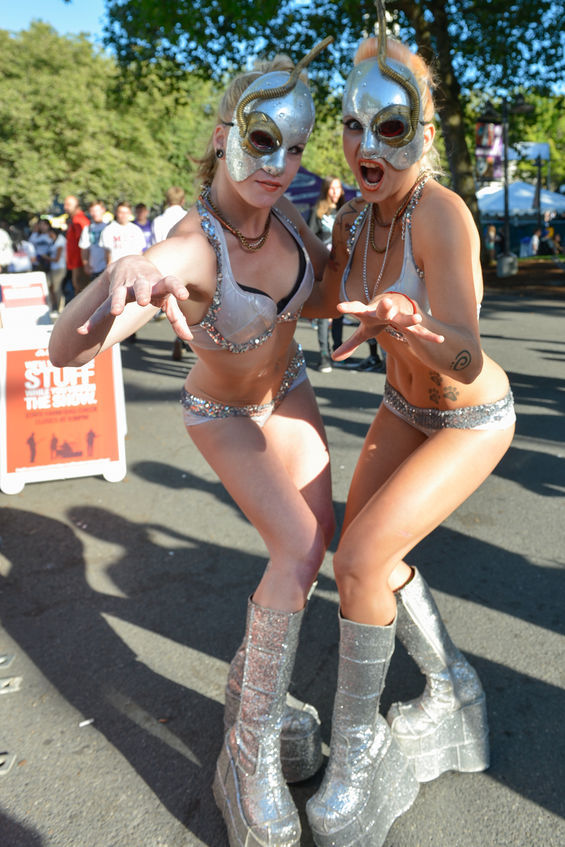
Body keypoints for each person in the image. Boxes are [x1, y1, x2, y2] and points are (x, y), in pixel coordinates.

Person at [49, 41, 335, 847]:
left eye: (294, 147)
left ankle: (256, 700)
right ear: (221, 134)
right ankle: (246, 754)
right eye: (261, 139)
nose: (278, 163)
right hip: (222, 411)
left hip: (289, 389)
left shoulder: (286, 217)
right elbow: (65, 352)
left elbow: (319, 294)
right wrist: (121, 273)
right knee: (296, 547)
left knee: (312, 551)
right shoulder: (190, 247)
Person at [304, 5, 516, 845]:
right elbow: (315, 297)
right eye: (351, 125)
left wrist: (412, 318)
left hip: (469, 415)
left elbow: (464, 354)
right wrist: (236, 238)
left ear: (421, 133)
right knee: (358, 555)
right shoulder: (354, 217)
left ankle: (359, 751)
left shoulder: (441, 212)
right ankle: (452, 690)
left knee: (361, 559)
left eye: (387, 126)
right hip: (401, 407)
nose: (365, 146)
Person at [309, 177, 346, 372]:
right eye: (331, 188)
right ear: (326, 190)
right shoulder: (318, 211)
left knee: (340, 309)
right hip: (324, 266)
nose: (335, 192)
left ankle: (338, 351)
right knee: (325, 312)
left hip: (342, 267)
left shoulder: (346, 211)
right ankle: (324, 355)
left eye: (337, 188)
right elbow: (309, 237)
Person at [63, 195, 90, 294]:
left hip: (80, 264)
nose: (65, 207)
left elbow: (85, 244)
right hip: (76, 263)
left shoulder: (79, 221)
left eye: (68, 205)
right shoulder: (74, 220)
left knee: (82, 291)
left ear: (76, 205)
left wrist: (85, 263)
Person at [79, 201, 109, 282]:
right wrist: (86, 264)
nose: (95, 213)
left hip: (107, 267)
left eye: (97, 210)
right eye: (92, 211)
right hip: (94, 268)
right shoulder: (87, 229)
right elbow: (84, 248)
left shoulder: (109, 227)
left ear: (103, 210)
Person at [46, 226, 67, 314]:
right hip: (53, 268)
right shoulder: (53, 241)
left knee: (57, 289)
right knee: (51, 287)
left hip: (59, 268)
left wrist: (45, 257)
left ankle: (60, 308)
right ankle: (54, 306)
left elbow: (57, 258)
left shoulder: (60, 242)